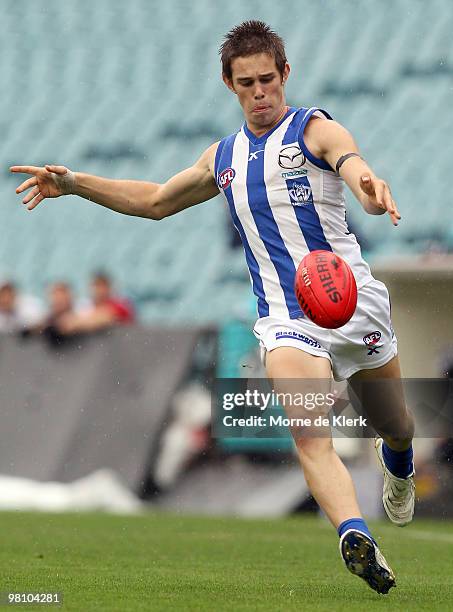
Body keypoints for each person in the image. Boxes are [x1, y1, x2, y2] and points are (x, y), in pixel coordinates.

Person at [11, 20, 415, 594]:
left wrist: (367, 184)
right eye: (246, 82)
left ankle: (397, 464)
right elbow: (153, 201)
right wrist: (75, 182)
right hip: (286, 319)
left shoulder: (314, 129)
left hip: (352, 301)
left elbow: (349, 160)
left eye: (269, 79)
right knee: (310, 435)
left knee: (396, 425)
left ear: (286, 75)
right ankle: (355, 534)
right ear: (228, 83)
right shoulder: (223, 158)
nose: (260, 92)